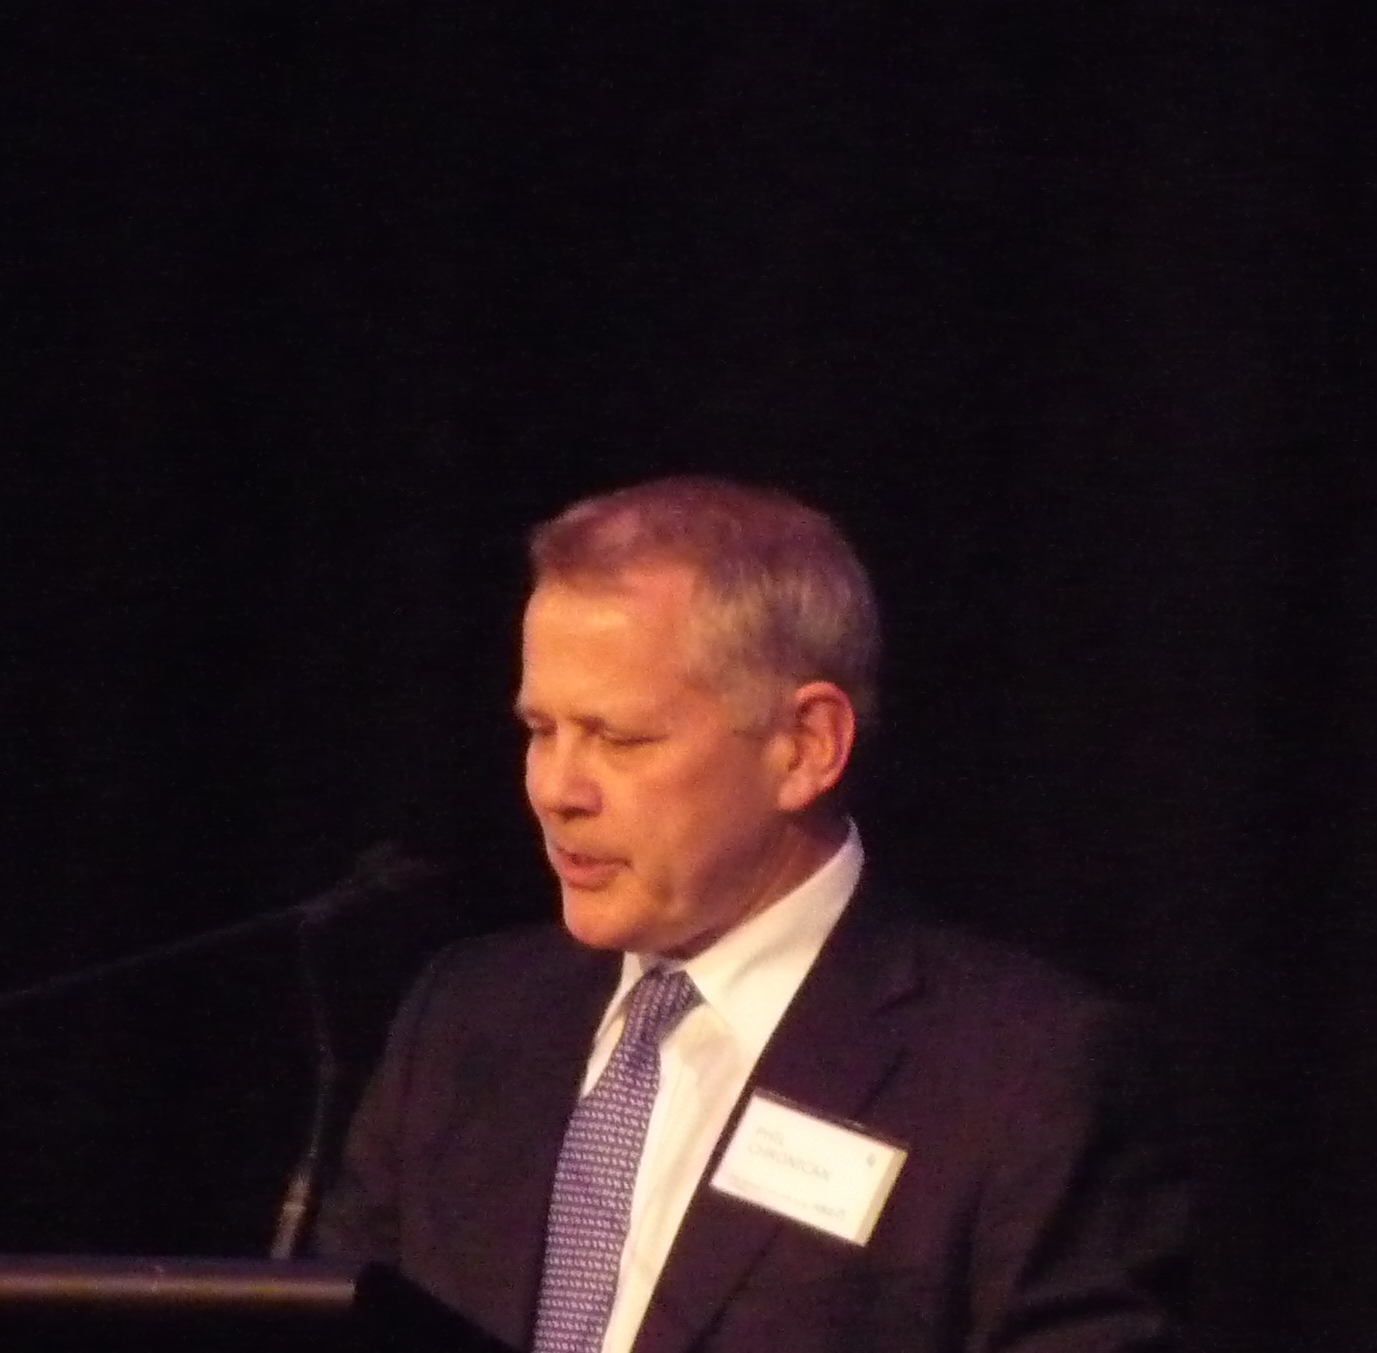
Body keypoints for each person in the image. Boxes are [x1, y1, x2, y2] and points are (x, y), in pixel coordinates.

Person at [314, 476, 1190, 1353]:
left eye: (620, 737)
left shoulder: (1019, 1078)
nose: (556, 789)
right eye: (542, 730)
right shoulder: (463, 1020)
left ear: (805, 745)